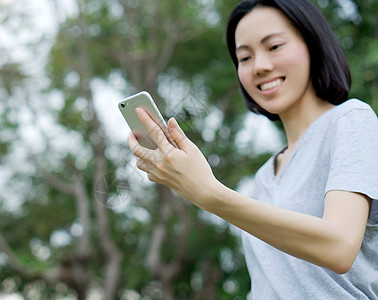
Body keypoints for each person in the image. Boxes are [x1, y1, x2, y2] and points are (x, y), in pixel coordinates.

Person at [127, 0, 378, 298]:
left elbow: (339, 247)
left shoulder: (351, 120)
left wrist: (210, 194)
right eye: (244, 57)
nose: (260, 66)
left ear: (312, 44)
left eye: (274, 47)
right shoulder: (263, 178)